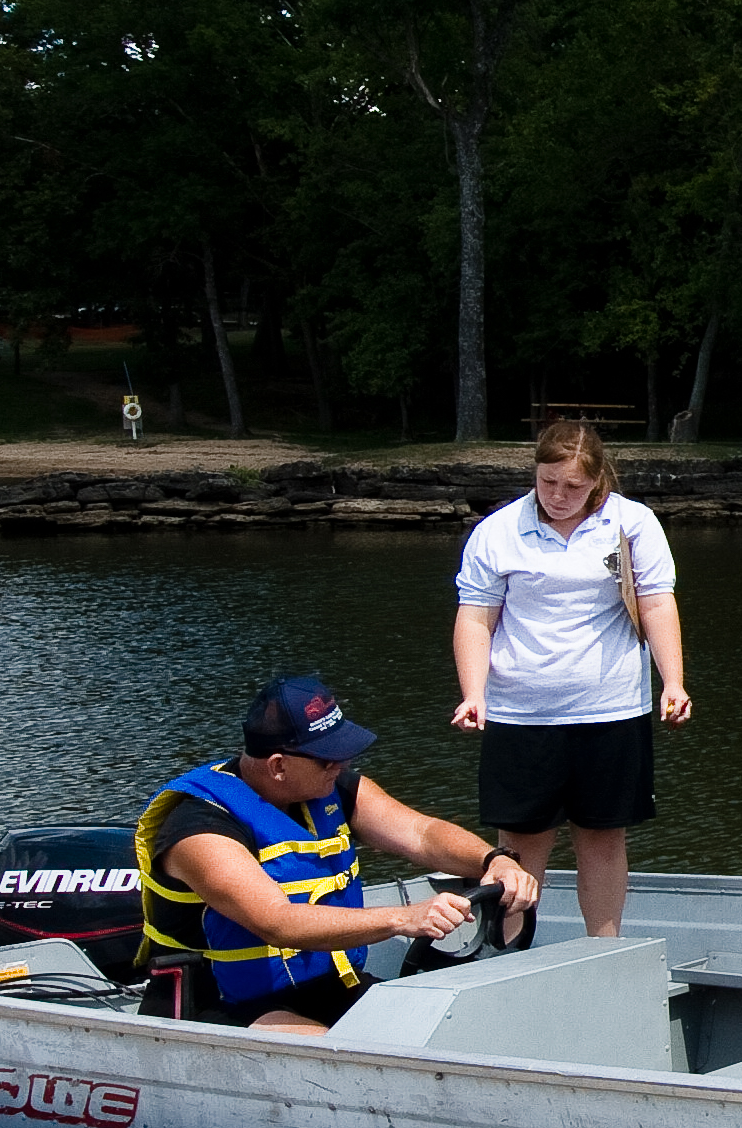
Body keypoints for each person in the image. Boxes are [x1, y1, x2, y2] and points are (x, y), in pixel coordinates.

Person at [137, 675, 542, 1033]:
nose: (342, 764)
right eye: (328, 758)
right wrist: (404, 918)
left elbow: (421, 834)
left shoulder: (329, 788)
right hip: (218, 1005)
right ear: (278, 766)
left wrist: (495, 860)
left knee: (447, 1031)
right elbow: (278, 922)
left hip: (325, 988)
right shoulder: (200, 828)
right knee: (354, 1061)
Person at [450, 418, 692, 937]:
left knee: (603, 840)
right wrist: (473, 693)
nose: (558, 496)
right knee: (517, 849)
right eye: (548, 482)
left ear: (598, 479)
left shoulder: (633, 523)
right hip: (521, 715)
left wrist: (673, 682)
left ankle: (603, 952)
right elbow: (475, 618)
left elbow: (656, 603)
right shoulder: (498, 531)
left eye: (573, 486)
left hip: (612, 711)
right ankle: (507, 955)